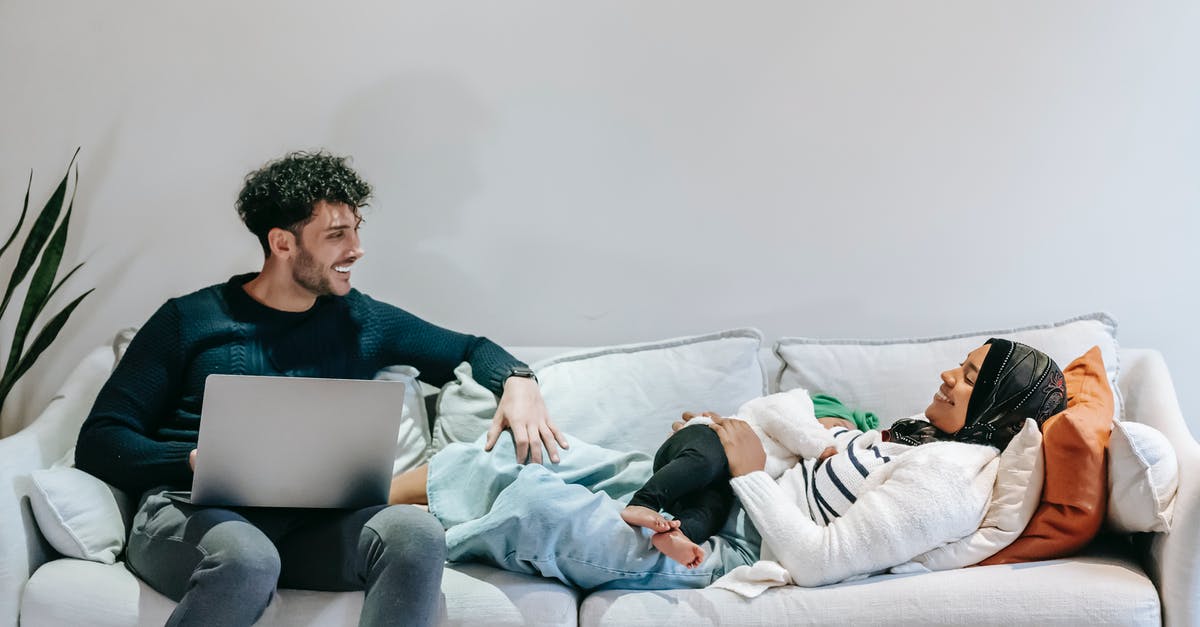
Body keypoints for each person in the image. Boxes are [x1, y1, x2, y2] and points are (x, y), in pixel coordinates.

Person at [74, 151, 566, 627]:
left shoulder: (360, 320)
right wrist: (193, 461)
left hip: (314, 525)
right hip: (191, 512)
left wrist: (519, 381)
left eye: (356, 230)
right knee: (249, 560)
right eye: (336, 235)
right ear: (283, 243)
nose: (356, 249)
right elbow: (100, 440)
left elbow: (470, 347)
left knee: (414, 532)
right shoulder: (188, 320)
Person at [390, 338, 1066, 591]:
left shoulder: (951, 479)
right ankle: (358, 502)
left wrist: (745, 471)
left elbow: (822, 558)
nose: (949, 373)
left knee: (539, 508)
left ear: (997, 405)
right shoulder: (916, 441)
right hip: (731, 490)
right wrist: (726, 439)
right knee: (523, 449)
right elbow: (806, 443)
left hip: (728, 543)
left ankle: (387, 534)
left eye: (970, 374)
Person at [618, 390, 877, 568]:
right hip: (711, 439)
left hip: (724, 480)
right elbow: (787, 419)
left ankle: (679, 535)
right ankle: (644, 502)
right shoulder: (795, 405)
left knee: (713, 510)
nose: (837, 435)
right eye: (837, 425)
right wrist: (820, 445)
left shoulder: (797, 463)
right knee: (704, 461)